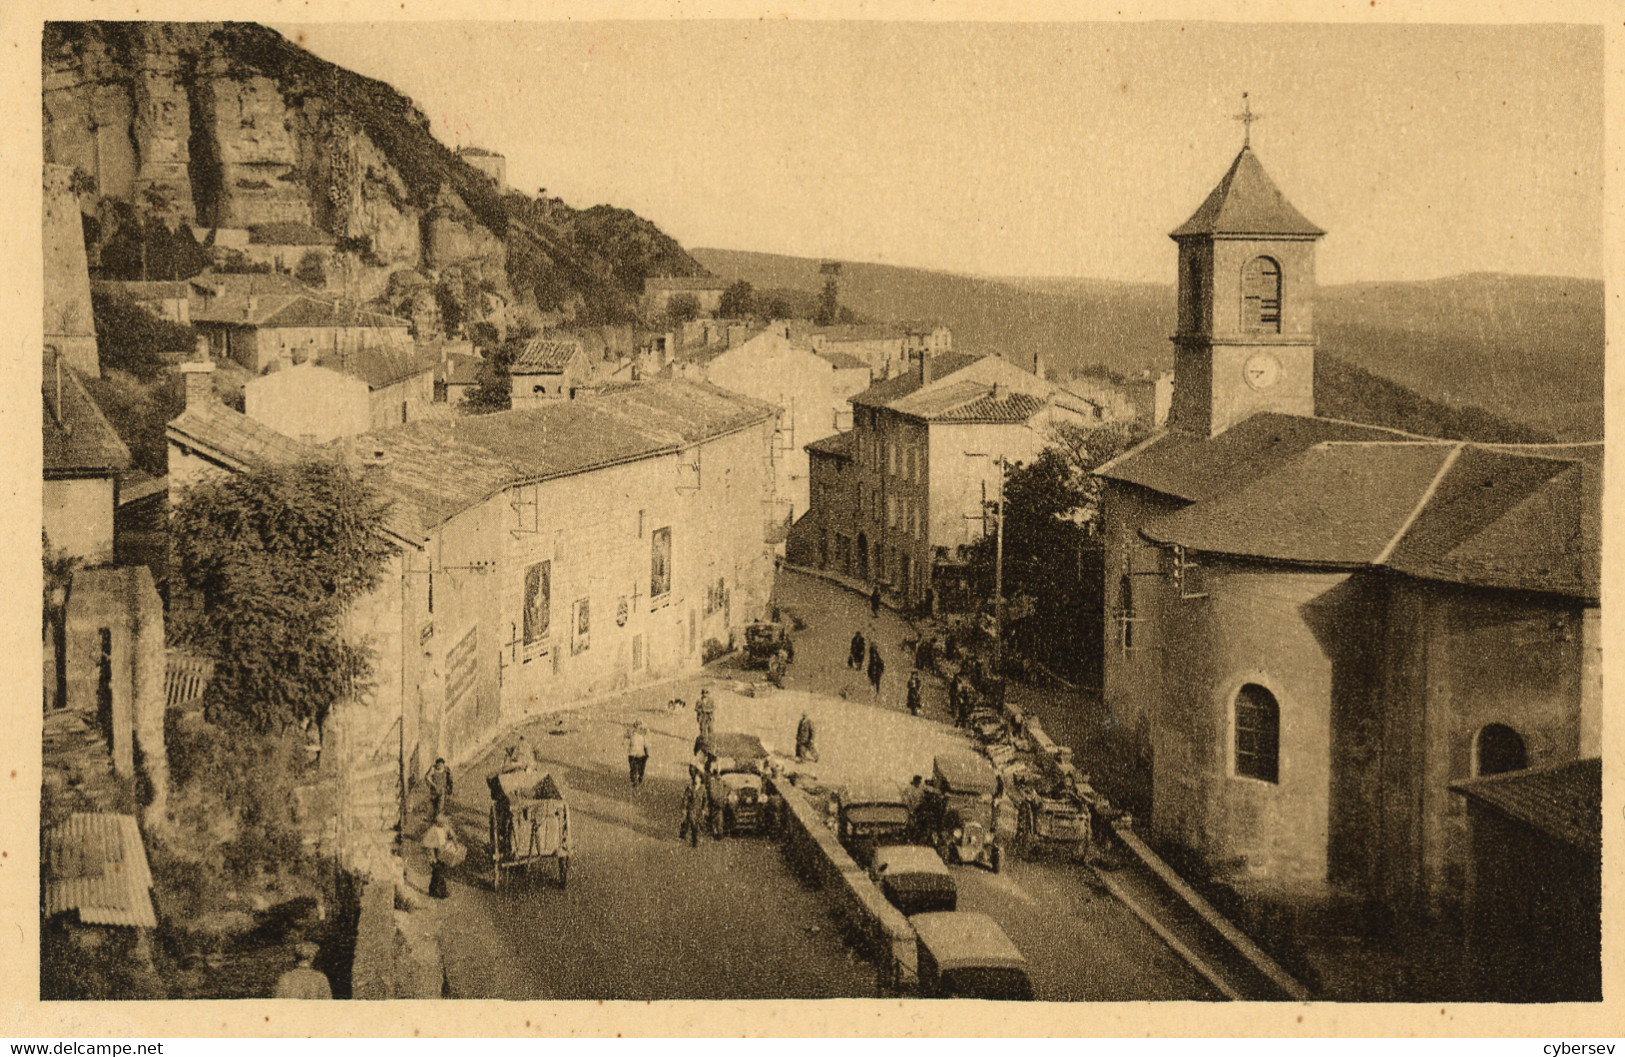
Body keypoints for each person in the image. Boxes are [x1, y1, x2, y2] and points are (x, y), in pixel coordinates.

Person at [421, 813, 455, 899]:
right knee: (439, 873)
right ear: (438, 823)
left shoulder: (444, 828)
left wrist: (452, 838)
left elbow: (451, 833)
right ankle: (442, 892)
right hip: (435, 854)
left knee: (436, 874)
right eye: (442, 823)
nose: (444, 824)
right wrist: (432, 857)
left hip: (442, 853)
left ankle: (432, 891)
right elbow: (425, 843)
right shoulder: (432, 830)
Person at [679, 771, 708, 847]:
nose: (696, 779)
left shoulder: (703, 788)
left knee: (696, 825)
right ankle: (694, 840)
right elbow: (685, 798)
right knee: (693, 823)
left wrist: (703, 809)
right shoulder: (690, 787)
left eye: (698, 778)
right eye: (695, 777)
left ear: (701, 779)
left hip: (698, 809)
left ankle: (693, 839)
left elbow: (705, 799)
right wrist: (684, 808)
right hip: (691, 808)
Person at [625, 720, 650, 786]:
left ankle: (635, 779)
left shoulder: (633, 735)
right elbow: (646, 745)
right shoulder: (641, 736)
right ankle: (637, 778)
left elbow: (625, 736)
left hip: (634, 754)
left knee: (634, 768)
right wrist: (647, 753)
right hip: (639, 754)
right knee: (639, 767)